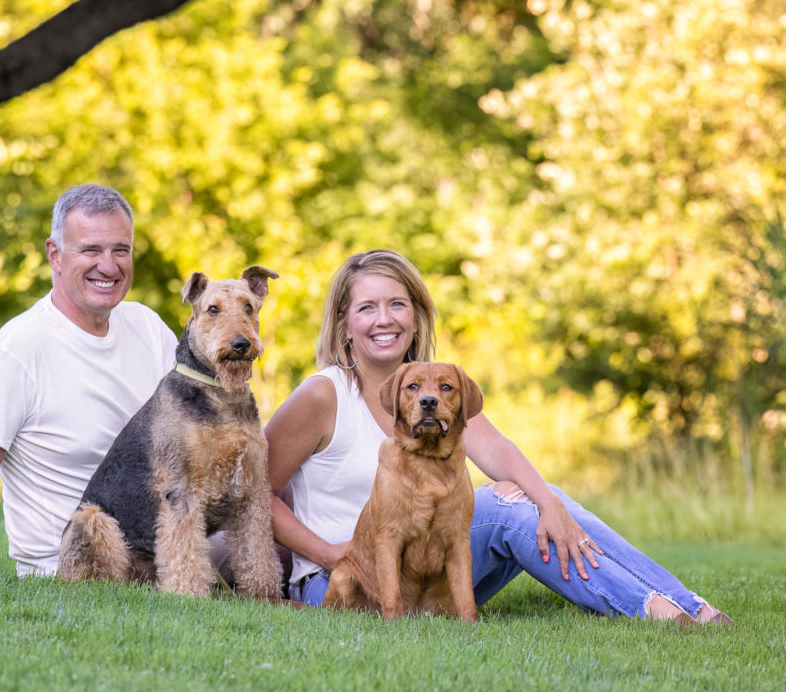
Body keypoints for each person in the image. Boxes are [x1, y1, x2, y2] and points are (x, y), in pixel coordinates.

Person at [264, 249, 732, 624]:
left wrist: (551, 504)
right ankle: (655, 610)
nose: (384, 319)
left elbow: (499, 453)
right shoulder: (324, 394)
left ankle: (686, 607)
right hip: (348, 582)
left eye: (397, 304)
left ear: (416, 316)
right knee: (511, 508)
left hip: (429, 574)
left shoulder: (439, 387)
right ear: (344, 323)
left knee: (527, 495)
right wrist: (327, 552)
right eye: (367, 307)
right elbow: (254, 493)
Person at [0, 184, 177, 578]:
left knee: (271, 536)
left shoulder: (148, 327)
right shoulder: (12, 356)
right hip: (77, 571)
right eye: (91, 251)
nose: (109, 266)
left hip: (164, 554)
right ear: (55, 255)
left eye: (121, 250)